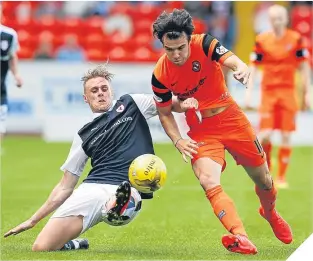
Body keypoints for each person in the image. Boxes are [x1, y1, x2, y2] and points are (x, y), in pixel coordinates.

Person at [4, 64, 197, 251]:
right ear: (86, 98)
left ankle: (117, 205)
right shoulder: (83, 135)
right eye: (94, 90)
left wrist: (183, 104)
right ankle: (75, 243)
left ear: (111, 91)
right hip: (91, 188)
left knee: (119, 203)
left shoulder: (131, 103)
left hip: (128, 186)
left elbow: (169, 104)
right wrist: (33, 219)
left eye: (104, 88)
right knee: (41, 247)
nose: (100, 93)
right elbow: (65, 186)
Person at [151, 9, 292, 255]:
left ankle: (269, 213)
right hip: (201, 130)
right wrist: (178, 140)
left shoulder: (204, 43)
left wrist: (241, 69)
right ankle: (241, 236)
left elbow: (234, 60)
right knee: (207, 180)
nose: (175, 55)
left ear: (189, 39)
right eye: (169, 49)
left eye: (180, 48)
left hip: (232, 119)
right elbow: (164, 113)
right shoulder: (160, 75)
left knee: (265, 180)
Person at [246, 4, 311, 189]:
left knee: (286, 135)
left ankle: (281, 177)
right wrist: (250, 92)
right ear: (269, 20)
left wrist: (306, 92)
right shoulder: (262, 40)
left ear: (286, 19)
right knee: (264, 136)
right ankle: (269, 164)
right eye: (273, 19)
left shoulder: (295, 39)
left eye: (280, 18)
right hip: (268, 92)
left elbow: (304, 66)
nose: (276, 22)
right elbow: (254, 66)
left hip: (288, 91)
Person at [0, 23, 23, 142]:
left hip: (0, 90)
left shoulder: (9, 35)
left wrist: (16, 74)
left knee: (1, 127)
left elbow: (12, 56)